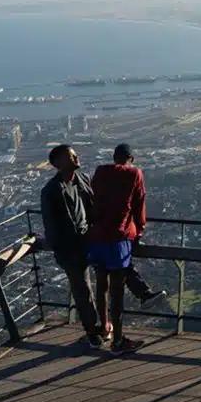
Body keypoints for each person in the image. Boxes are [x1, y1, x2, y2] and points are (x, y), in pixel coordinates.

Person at [87, 143, 158, 355]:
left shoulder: (100, 172)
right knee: (117, 291)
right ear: (131, 158)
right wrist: (140, 231)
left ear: (114, 156)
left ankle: (104, 327)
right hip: (119, 237)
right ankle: (118, 341)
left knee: (102, 285)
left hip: (97, 236)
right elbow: (139, 204)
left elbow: (92, 200)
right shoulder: (134, 173)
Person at [40, 144, 104, 348]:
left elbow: (95, 206)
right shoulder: (51, 191)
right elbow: (51, 226)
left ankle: (105, 326)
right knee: (83, 290)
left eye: (75, 155)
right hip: (71, 250)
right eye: (71, 156)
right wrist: (63, 251)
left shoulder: (83, 179)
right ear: (58, 163)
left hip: (91, 240)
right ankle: (93, 331)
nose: (77, 158)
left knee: (107, 281)